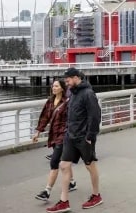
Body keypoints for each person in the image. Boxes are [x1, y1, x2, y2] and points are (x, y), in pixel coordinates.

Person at [47, 68, 103, 213]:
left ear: (76, 78)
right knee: (64, 165)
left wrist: (90, 136)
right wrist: (66, 130)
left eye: (68, 80)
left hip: (84, 137)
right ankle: (64, 201)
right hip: (70, 136)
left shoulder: (88, 94)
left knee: (90, 165)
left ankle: (96, 195)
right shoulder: (71, 92)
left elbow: (95, 116)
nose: (66, 83)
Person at [33, 80, 77, 201]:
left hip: (63, 136)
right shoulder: (50, 101)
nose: (54, 87)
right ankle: (72, 182)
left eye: (56, 86)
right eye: (53, 86)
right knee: (64, 160)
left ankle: (47, 191)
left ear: (62, 88)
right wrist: (37, 132)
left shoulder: (67, 102)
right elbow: (44, 118)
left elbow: (72, 118)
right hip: (53, 135)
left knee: (54, 162)